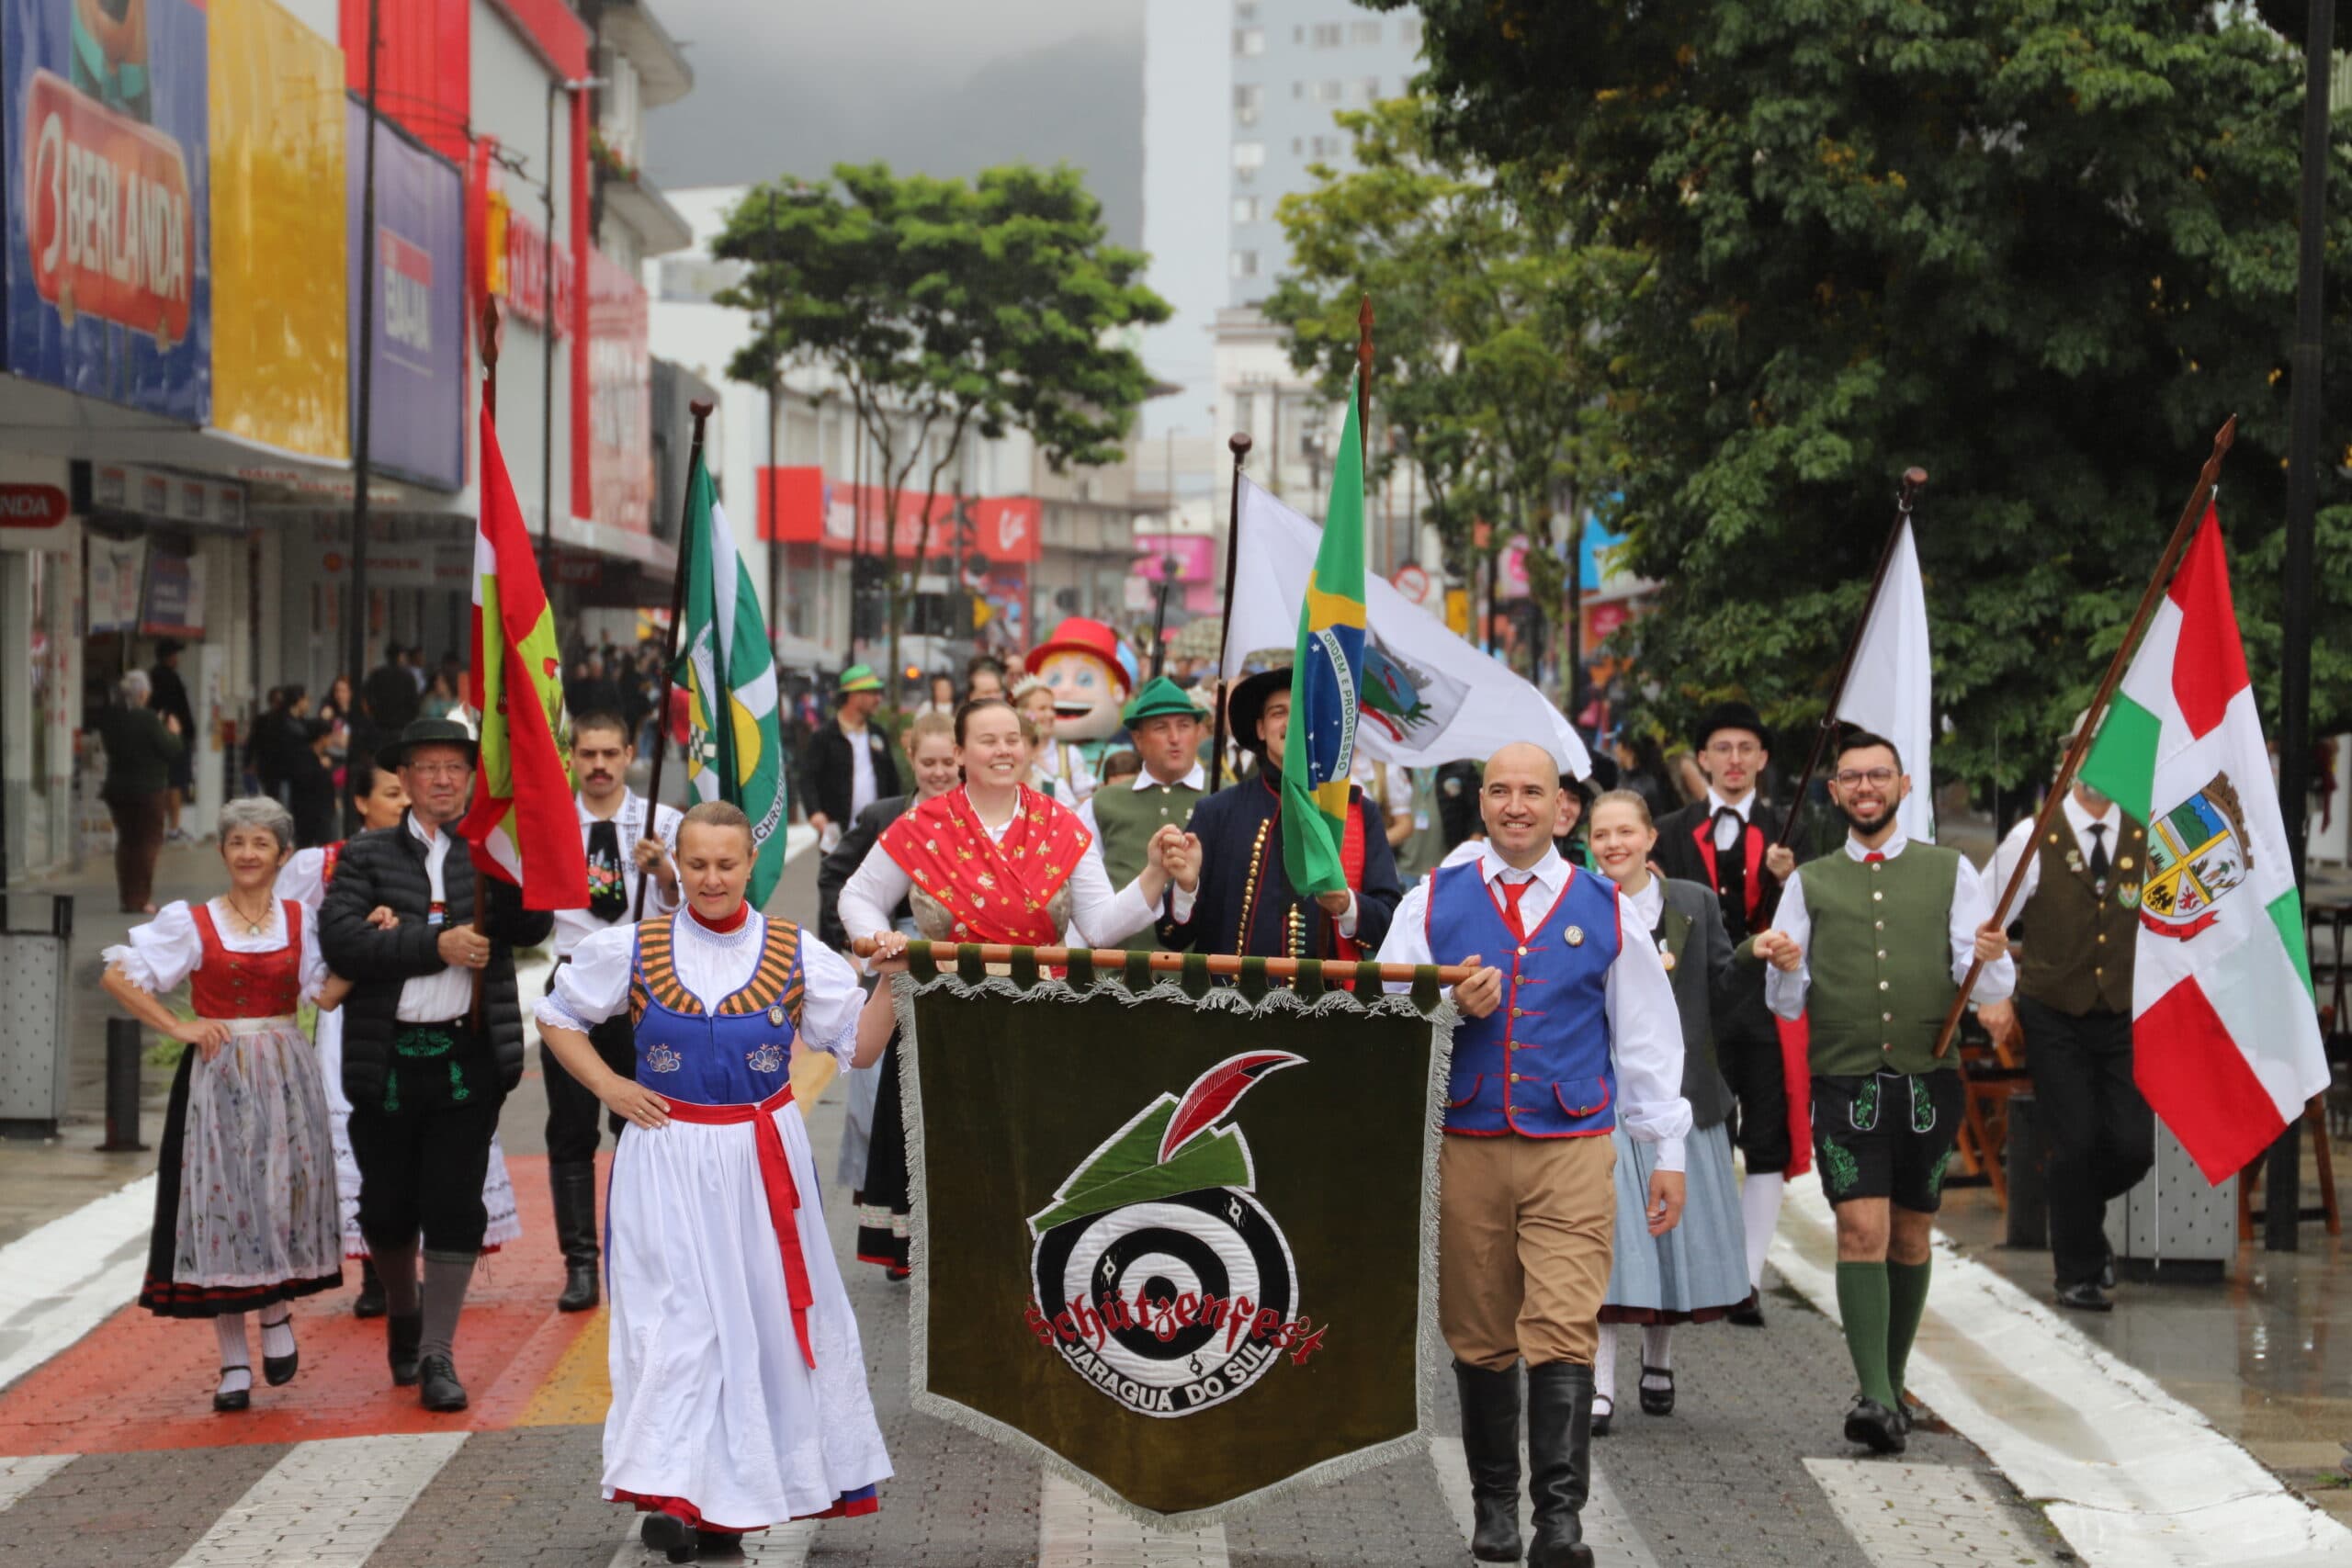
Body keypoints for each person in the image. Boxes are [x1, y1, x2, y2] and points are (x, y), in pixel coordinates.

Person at [537, 802, 894, 1559]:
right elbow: (558, 1015)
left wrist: (893, 984)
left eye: (726, 864)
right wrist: (610, 1085)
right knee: (678, 1325)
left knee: (758, 1326)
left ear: (750, 865)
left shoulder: (795, 951)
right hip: (665, 1156)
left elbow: (858, 1048)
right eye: (695, 862)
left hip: (762, 1162)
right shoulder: (634, 946)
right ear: (677, 860)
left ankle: (726, 1505)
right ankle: (680, 1489)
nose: (710, 878)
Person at [1376, 743, 1691, 1568]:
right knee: (1479, 1328)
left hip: (1572, 1144)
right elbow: (1382, 1009)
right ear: (1482, 802)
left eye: (1533, 791)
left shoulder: (1605, 905)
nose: (1516, 805)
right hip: (1467, 1140)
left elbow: (1647, 1034)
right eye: (1500, 791)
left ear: (1562, 807)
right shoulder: (1431, 898)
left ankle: (1559, 1522)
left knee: (1563, 1322)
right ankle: (1494, 1507)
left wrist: (1666, 1147)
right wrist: (1444, 1000)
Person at [1748, 731, 2014, 1453]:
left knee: (1909, 1232)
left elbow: (1982, 979)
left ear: (1902, 784)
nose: (1866, 787)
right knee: (1861, 1228)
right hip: (1846, 1081)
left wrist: (1991, 960)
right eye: (1852, 777)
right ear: (1834, 791)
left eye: (1878, 775)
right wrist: (1787, 965)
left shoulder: (1950, 870)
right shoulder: (1809, 882)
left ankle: (1891, 1390)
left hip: (1929, 1083)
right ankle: (1871, 1392)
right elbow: (1785, 1001)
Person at [318, 717, 554, 1414]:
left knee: (455, 1204)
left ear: (473, 777)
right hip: (385, 1057)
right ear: (406, 778)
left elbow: (533, 927)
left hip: (467, 1055)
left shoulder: (490, 850)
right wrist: (434, 945)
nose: (444, 779)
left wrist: (521, 861)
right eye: (428, 767)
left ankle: (437, 1353)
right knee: (386, 1207)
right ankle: (403, 1306)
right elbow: (341, 943)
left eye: (456, 767)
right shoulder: (365, 855)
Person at [100, 796, 347, 1413]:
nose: (247, 854)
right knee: (223, 1205)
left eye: (260, 843)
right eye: (237, 842)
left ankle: (276, 1312)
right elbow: (117, 975)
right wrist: (178, 1025)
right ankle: (234, 1359)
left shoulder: (302, 919)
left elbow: (326, 994)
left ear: (282, 855)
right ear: (222, 851)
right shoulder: (193, 921)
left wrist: (372, 946)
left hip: (286, 1071)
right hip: (218, 1073)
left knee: (279, 1195)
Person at [277, 761, 526, 1317]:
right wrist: (417, 944)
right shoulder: (340, 860)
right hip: (364, 1027)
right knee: (380, 1183)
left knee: (451, 1185)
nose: (405, 799)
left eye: (454, 770)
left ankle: (434, 1333)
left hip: (456, 1041)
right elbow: (314, 939)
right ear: (362, 801)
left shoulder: (478, 852)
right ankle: (387, 1286)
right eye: (392, 790)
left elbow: (523, 926)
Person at [1585, 790, 1752, 1435]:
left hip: (1682, 1090)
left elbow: (1724, 986)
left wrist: (1759, 956)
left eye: (1625, 831)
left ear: (1651, 837)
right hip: (1603, 1092)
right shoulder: (1583, 902)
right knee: (1607, 1237)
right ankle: (1598, 1381)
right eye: (1602, 834)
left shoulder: (1693, 902)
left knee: (1666, 1233)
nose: (1614, 844)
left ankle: (1659, 1357)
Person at [1984, 715, 2154, 1312]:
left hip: (2125, 1011)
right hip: (2054, 1010)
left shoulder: (2147, 834)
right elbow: (1984, 921)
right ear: (2068, 759)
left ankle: (2079, 1219)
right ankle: (2077, 1273)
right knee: (2074, 1140)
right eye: (2086, 751)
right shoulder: (2032, 836)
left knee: (2134, 1146)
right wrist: (1993, 994)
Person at [1652, 701, 1800, 1325]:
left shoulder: (1791, 828)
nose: (1734, 760)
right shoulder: (1668, 830)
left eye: (1746, 748)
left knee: (1767, 1137)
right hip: (1695, 1008)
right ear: (1703, 759)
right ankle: (1688, 1269)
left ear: (1762, 759)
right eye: (1722, 748)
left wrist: (1790, 879)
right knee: (1695, 1128)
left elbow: (1810, 917)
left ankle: (1747, 1277)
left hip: (1767, 1005)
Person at [842, 695, 1176, 964]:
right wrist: (883, 944)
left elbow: (1100, 926)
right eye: (988, 741)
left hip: (1043, 1004)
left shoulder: (1060, 824)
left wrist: (1155, 872)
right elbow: (858, 896)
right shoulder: (923, 826)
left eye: (1012, 740)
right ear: (959, 753)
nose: (1003, 750)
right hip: (946, 1005)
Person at [544, 714, 684, 1314]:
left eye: (609, 753)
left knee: (643, 1124)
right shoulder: (551, 821)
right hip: (575, 979)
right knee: (571, 1128)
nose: (599, 765)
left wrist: (665, 873)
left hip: (643, 984)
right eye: (587, 754)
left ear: (629, 753)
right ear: (572, 757)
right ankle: (580, 1263)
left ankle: (641, 1256)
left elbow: (691, 902)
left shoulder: (664, 823)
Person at [815, 714, 959, 1279]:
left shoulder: (977, 819)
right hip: (897, 964)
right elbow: (838, 877)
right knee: (882, 1100)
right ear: (910, 759)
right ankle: (897, 1232)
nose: (940, 772)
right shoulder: (885, 817)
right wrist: (861, 942)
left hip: (961, 971)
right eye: (929, 762)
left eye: (948, 762)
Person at [1156, 665, 1404, 965]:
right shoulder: (1216, 813)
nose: (1292, 722)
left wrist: (1346, 904)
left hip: (1327, 995)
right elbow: (1171, 936)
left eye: (1303, 712)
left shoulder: (1359, 813)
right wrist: (1186, 889)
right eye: (1279, 712)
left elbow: (1389, 925)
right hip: (1229, 995)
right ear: (1261, 729)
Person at [1073, 677, 1207, 952]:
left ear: (1198, 732)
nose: (1174, 738)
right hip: (1116, 969)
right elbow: (1081, 897)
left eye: (1184, 726)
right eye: (1161, 727)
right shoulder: (1103, 802)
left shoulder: (1224, 797)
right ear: (1137, 738)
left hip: (1202, 971)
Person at [97, 669, 185, 914]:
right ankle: (140, 899)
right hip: (148, 790)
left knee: (127, 842)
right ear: (143, 693)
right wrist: (174, 732)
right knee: (148, 843)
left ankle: (127, 897)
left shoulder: (113, 720)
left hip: (117, 789)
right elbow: (170, 748)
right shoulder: (147, 719)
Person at [799, 665, 899, 853]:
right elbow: (808, 778)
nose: (878, 699)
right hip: (836, 831)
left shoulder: (877, 734)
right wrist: (815, 812)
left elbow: (892, 780)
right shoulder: (825, 736)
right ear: (853, 696)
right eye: (872, 693)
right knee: (836, 872)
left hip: (876, 833)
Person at [1012, 674, 1096, 805]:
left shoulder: (1070, 754)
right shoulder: (1012, 753)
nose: (1050, 715)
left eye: (1052, 709)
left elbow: (1085, 806)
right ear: (1022, 712)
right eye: (1042, 708)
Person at [149, 639, 197, 840]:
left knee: (162, 783)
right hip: (175, 738)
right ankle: (174, 828)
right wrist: (186, 732)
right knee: (175, 783)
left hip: (159, 739)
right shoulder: (170, 679)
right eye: (175, 655)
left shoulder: (151, 677)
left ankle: (159, 827)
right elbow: (178, 710)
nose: (177, 659)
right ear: (168, 657)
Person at [1611, 733, 1676, 822]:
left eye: (1617, 745)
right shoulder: (1622, 776)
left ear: (1628, 750)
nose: (1614, 750)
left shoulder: (1647, 786)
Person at [364, 641, 420, 738]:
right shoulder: (407, 677)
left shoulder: (377, 674)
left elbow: (367, 696)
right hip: (401, 727)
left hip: (380, 726)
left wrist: (374, 713)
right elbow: (414, 703)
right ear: (400, 656)